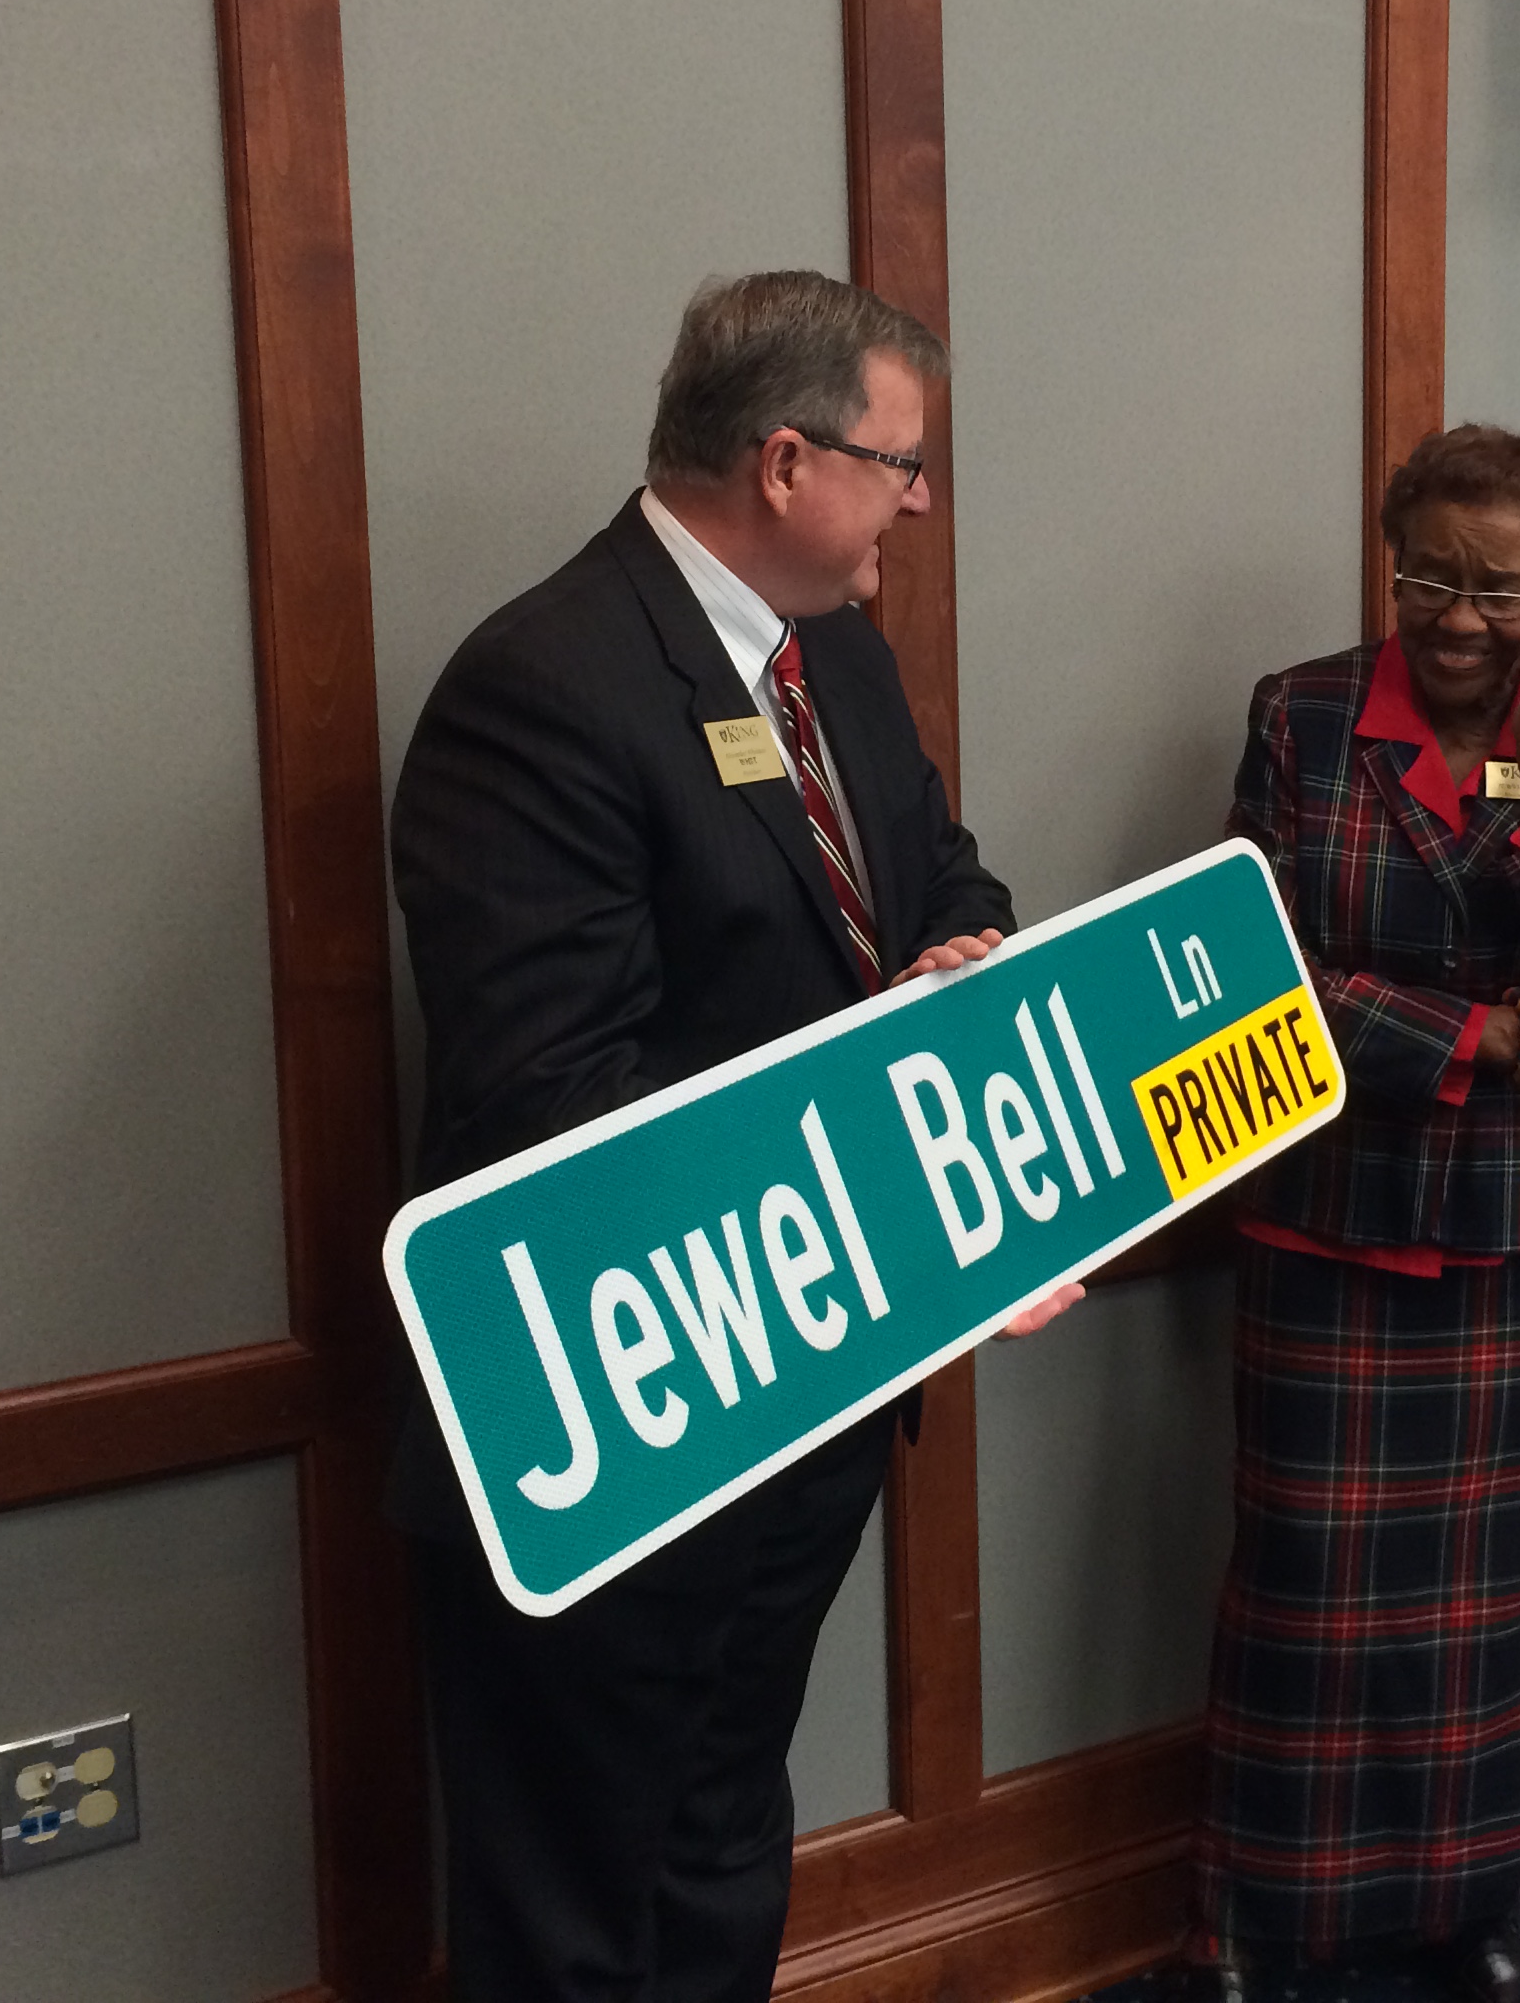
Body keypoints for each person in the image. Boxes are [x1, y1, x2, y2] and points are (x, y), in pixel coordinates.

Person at [387, 270, 1079, 2003]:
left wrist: (966, 966)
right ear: (786, 462)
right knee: (571, 1900)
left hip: (812, 1389)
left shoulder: (830, 653)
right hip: (615, 1415)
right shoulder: (542, 685)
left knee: (715, 1837)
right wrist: (876, 1160)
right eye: (899, 464)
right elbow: (549, 1094)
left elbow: (942, 870)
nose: (919, 504)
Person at [1189, 423, 1520, 2003]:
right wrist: (1488, 1038)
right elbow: (1246, 965)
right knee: (1308, 1603)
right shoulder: (1305, 715)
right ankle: (1250, 1918)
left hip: (1518, 1234)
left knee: (1501, 1615)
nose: (1460, 616)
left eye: (1502, 588)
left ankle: (1480, 1899)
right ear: (1391, 558)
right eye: (1429, 575)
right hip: (1327, 1213)